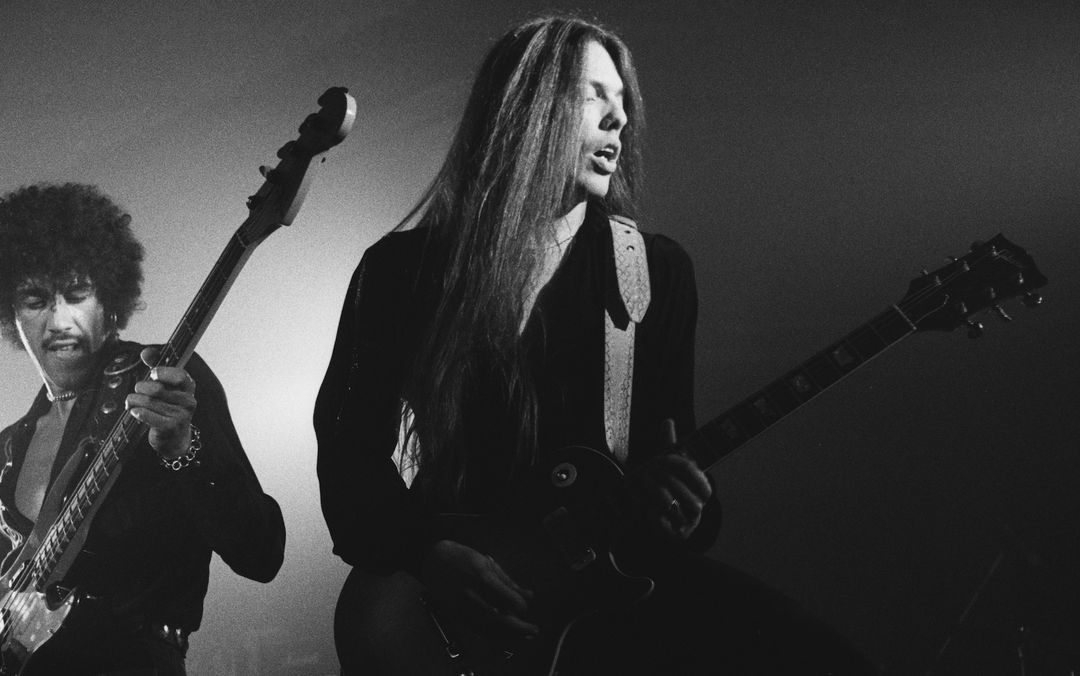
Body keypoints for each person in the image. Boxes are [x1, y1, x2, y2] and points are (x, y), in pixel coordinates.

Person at [315, 14, 875, 674]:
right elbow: (349, 457)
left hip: (605, 600)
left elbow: (671, 455)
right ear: (525, 107)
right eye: (594, 97)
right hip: (445, 610)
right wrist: (426, 554)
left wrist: (686, 508)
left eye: (624, 103)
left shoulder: (654, 271)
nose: (620, 121)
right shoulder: (401, 271)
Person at [0, 183, 286, 675]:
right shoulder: (12, 444)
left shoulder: (165, 379)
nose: (58, 319)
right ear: (10, 312)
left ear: (110, 299)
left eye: (76, 294)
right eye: (36, 299)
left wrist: (182, 448)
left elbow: (261, 554)